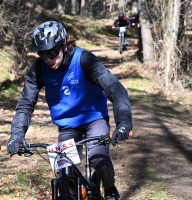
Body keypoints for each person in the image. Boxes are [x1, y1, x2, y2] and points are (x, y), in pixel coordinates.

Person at [7, 21, 132, 200]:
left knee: (97, 156)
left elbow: (115, 88)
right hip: (67, 126)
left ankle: (110, 188)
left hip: (94, 118)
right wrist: (16, 136)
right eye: (43, 55)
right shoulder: (39, 69)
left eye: (52, 52)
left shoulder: (84, 60)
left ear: (64, 45)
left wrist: (124, 122)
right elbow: (25, 104)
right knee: (64, 175)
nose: (48, 59)